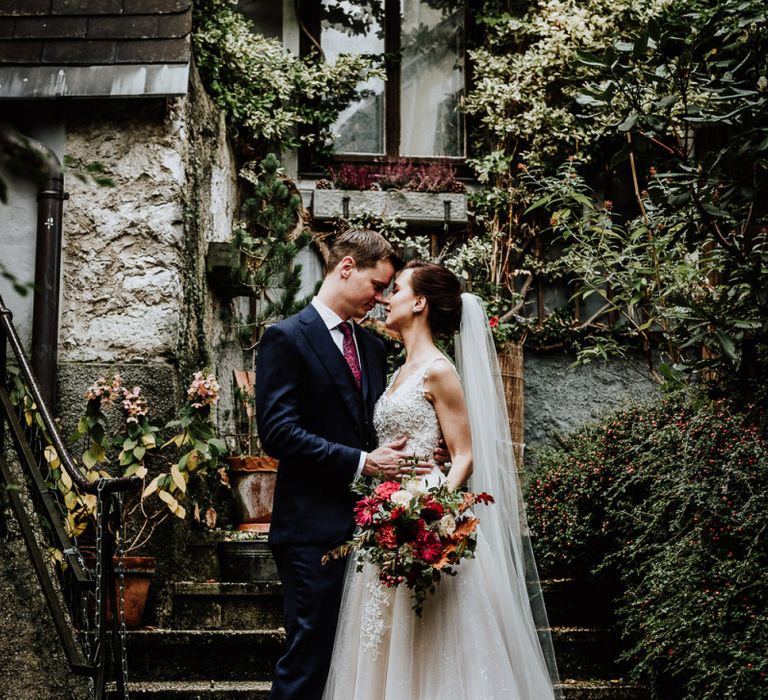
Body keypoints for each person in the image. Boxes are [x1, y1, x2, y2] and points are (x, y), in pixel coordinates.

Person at [322, 260, 562, 699]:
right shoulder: (399, 370)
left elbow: (464, 456)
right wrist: (391, 510)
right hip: (386, 515)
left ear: (419, 302)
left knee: (434, 638)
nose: (385, 297)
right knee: (383, 637)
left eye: (395, 289)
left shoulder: (438, 370)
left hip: (425, 515)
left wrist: (429, 514)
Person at [255, 229, 433, 700]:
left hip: (373, 530)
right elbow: (277, 433)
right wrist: (361, 463)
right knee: (309, 656)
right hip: (311, 529)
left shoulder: (373, 348)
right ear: (347, 267)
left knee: (359, 663)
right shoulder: (286, 338)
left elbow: (376, 425)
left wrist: (416, 454)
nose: (380, 300)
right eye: (378, 286)